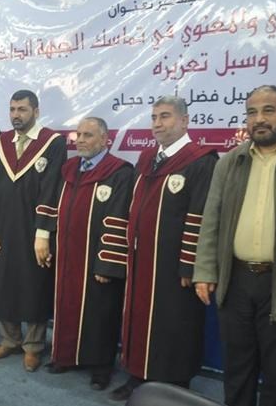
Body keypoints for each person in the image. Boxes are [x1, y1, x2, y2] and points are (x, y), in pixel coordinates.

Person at [193, 85, 276, 406]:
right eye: (252, 112)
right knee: (237, 371)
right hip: (237, 283)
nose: (259, 119)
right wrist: (205, 270)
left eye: (268, 110)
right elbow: (211, 220)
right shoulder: (231, 162)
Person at [111, 96, 218, 400]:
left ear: (184, 121)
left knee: (174, 323)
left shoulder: (201, 160)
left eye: (165, 116)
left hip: (174, 265)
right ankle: (138, 375)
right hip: (141, 258)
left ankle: (175, 385)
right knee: (138, 317)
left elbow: (202, 216)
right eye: (154, 117)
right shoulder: (147, 158)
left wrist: (190, 265)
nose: (157, 123)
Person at [0, 89, 67, 372]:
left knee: (34, 285)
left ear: (36, 111)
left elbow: (52, 188)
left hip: (34, 228)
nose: (16, 115)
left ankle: (33, 346)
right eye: (12, 109)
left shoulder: (53, 143)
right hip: (3, 226)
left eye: (22, 110)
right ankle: (9, 340)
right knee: (4, 282)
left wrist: (44, 233)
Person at [46, 117, 133, 390]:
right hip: (68, 256)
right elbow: (56, 208)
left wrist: (107, 264)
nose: (80, 140)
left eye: (88, 135)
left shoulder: (120, 172)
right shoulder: (69, 169)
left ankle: (100, 367)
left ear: (105, 139)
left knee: (100, 313)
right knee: (66, 306)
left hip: (97, 258)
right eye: (78, 135)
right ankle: (67, 356)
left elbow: (120, 219)